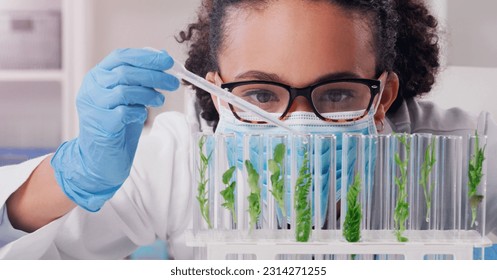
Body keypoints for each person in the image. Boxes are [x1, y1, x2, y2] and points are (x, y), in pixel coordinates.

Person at [0, 0, 495, 259]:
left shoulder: (459, 161)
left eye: (338, 93)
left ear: (383, 94)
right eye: (260, 94)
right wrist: (72, 177)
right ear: (216, 91)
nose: (297, 126)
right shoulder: (181, 159)